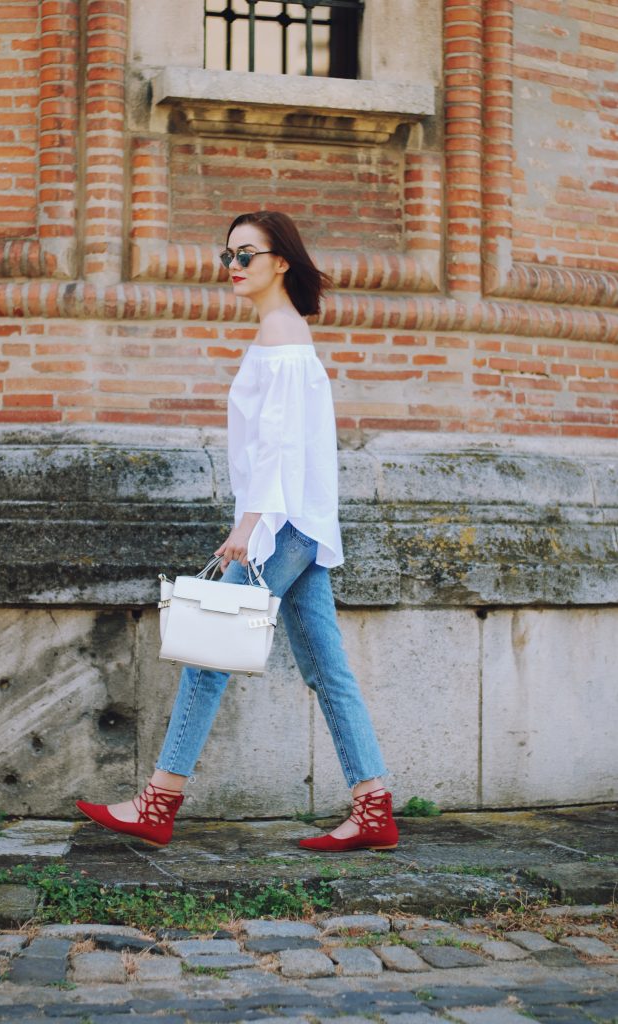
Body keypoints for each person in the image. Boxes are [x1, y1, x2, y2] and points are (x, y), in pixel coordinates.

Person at [77, 211, 399, 854]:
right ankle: (374, 808)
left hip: (279, 526)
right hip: (298, 523)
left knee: (209, 656)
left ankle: (157, 803)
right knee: (327, 671)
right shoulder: (285, 332)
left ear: (281, 261)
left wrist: (248, 525)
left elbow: (279, 445)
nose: (233, 266)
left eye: (246, 255)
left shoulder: (281, 334)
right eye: (227, 255)